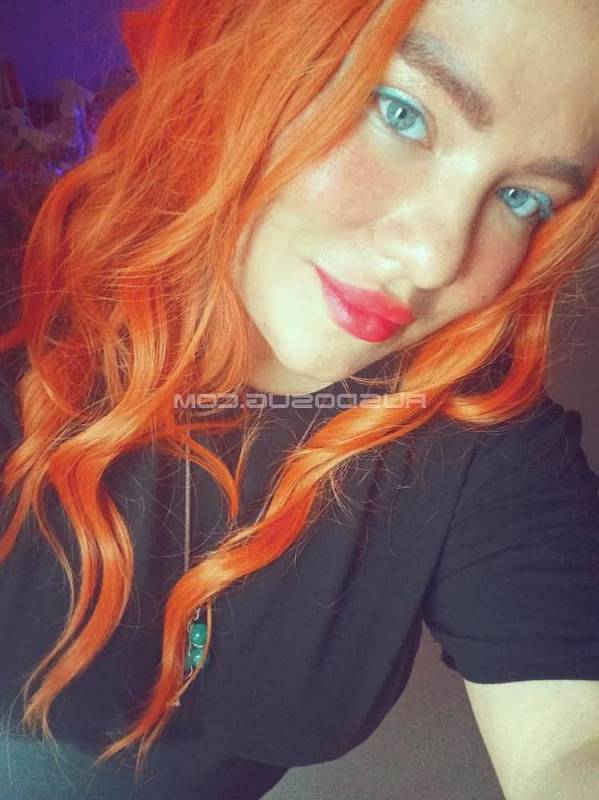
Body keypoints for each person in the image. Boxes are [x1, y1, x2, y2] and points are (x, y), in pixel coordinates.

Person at [1, 0, 599, 798]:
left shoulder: (482, 436)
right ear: (240, 47)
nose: (434, 258)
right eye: (401, 111)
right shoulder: (23, 320)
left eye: (522, 197)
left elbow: (573, 742)